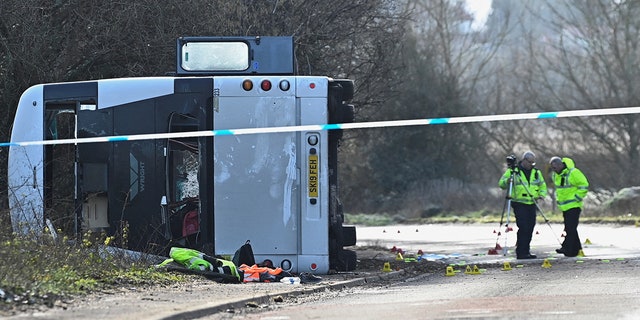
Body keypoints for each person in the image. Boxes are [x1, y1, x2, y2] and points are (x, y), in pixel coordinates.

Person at [499, 151, 547, 259]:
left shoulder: (536, 172)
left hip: (532, 202)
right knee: (523, 227)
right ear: (524, 160)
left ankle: (526, 250)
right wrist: (508, 180)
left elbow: (542, 185)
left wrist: (542, 195)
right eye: (530, 162)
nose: (531, 164)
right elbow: (501, 184)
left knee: (530, 227)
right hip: (519, 203)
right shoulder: (514, 171)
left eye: (533, 163)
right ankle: (521, 252)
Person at [549, 156, 589, 257]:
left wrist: (577, 197)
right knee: (570, 228)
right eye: (552, 168)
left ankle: (567, 248)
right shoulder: (556, 175)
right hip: (565, 206)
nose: (554, 170)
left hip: (574, 205)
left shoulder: (573, 172)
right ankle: (576, 249)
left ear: (560, 164)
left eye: (555, 168)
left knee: (570, 228)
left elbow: (584, 185)